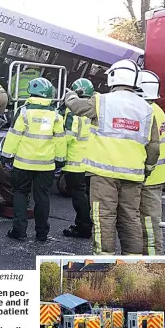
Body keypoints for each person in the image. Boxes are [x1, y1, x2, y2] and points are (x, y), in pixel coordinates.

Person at [64, 59, 160, 255]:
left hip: (103, 174)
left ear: (113, 77)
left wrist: (71, 95)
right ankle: (133, 264)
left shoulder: (102, 101)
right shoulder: (147, 110)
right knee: (130, 218)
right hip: (133, 176)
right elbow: (154, 147)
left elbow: (76, 107)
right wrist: (147, 170)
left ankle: (104, 260)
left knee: (104, 217)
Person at [1, 77, 66, 242]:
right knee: (42, 197)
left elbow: (14, 135)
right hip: (46, 165)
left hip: (23, 163)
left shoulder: (23, 111)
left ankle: (19, 231)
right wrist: (60, 159)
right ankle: (42, 233)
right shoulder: (56, 115)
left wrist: (6, 156)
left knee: (21, 194)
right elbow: (60, 139)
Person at [60, 78, 95, 239]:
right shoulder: (95, 109)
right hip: (92, 160)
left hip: (75, 161)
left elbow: (67, 137)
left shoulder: (72, 112)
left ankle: (83, 227)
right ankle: (86, 223)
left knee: (78, 196)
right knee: (87, 195)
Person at [138, 70, 165, 255]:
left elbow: (151, 149)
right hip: (156, 176)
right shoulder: (157, 110)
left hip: (149, 178)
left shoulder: (147, 112)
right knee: (149, 222)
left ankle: (153, 260)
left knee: (149, 224)